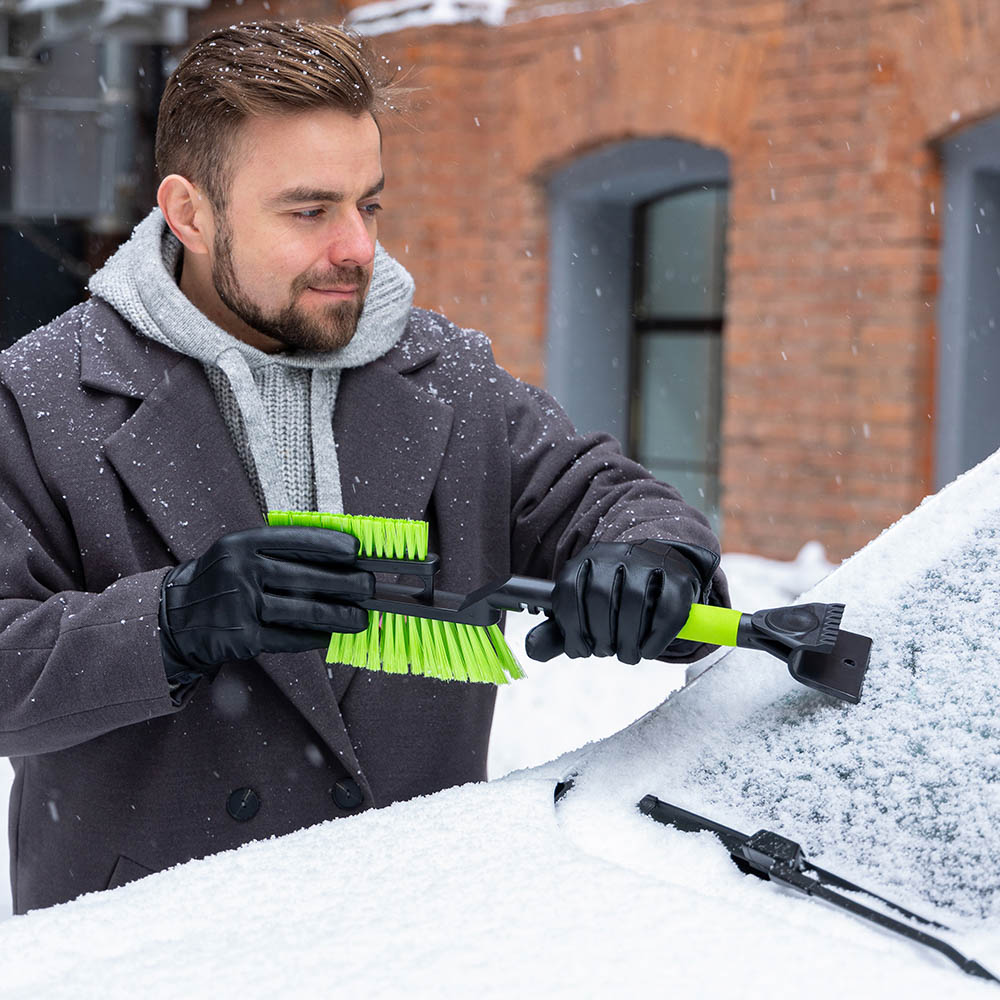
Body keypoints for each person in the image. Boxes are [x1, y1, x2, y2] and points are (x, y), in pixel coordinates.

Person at [0, 19, 729, 914]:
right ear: (190, 213)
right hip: (149, 941)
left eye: (368, 204)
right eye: (310, 210)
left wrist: (654, 556)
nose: (358, 247)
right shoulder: (42, 395)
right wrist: (170, 621)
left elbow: (602, 499)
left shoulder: (448, 377)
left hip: (406, 929)